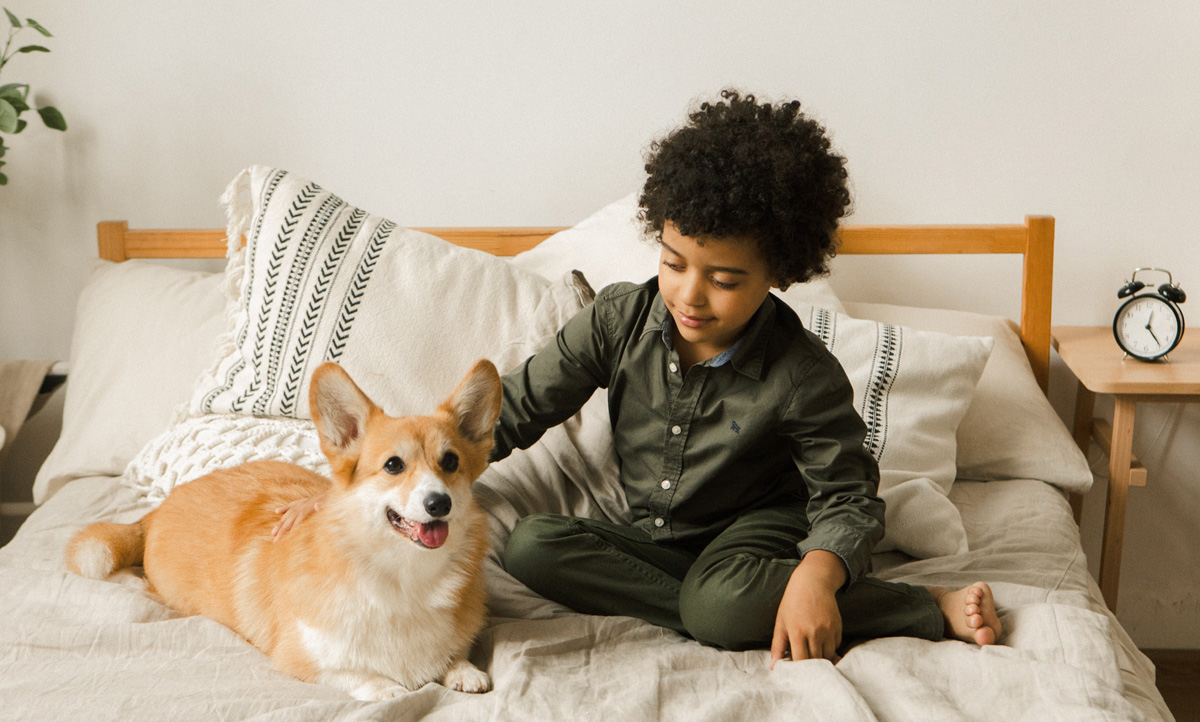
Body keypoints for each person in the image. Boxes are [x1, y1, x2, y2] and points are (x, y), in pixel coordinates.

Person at [274, 90, 1002, 663]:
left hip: (758, 537)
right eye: (676, 263)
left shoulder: (802, 373)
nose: (689, 294)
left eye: (723, 279)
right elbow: (511, 412)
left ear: (778, 274)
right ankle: (715, 605)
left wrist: (816, 574)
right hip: (652, 540)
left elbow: (847, 496)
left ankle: (912, 607)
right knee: (530, 546)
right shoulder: (620, 319)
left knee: (721, 605)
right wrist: (368, 489)